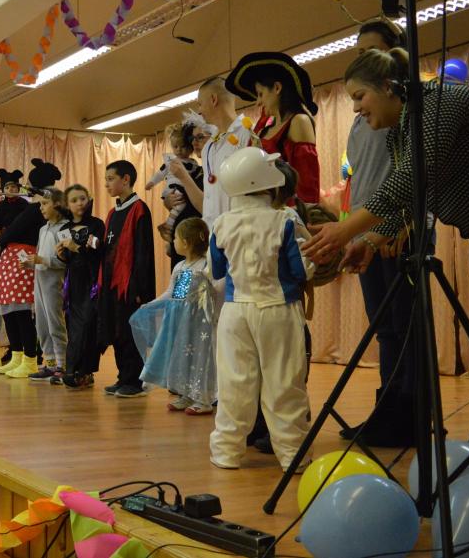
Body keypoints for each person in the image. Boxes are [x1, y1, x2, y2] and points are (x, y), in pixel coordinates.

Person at [303, 49, 469, 276]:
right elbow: (411, 199)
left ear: (387, 87)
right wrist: (371, 241)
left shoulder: (439, 101)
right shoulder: (398, 133)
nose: (355, 108)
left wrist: (345, 229)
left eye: (359, 96)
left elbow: (410, 178)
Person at [208, 147, 314, 472]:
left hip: (234, 312)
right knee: (284, 384)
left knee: (234, 384)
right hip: (278, 310)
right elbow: (302, 270)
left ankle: (226, 452)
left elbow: (217, 270)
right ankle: (293, 456)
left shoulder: (221, 223)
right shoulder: (286, 220)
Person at [337, 19, 417, 446]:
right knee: (384, 328)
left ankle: (410, 415)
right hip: (368, 232)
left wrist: (402, 223)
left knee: (406, 328)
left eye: (371, 50)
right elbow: (363, 179)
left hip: (397, 231)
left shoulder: (404, 114)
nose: (363, 57)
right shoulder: (362, 122)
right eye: (358, 52)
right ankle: (387, 412)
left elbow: (410, 175)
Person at [130, 217, 217, 414]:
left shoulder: (204, 266)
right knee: (183, 357)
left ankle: (203, 399)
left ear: (185, 242)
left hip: (199, 323)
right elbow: (174, 295)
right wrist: (151, 305)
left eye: (175, 238)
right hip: (181, 322)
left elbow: (210, 294)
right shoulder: (181, 267)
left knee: (200, 357)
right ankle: (187, 394)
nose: (173, 242)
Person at [0, 159, 60, 378]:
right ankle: (17, 356)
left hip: (22, 257)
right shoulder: (31, 207)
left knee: (20, 311)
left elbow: (14, 229)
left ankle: (30, 359)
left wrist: (1, 240)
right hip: (10, 258)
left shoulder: (36, 208)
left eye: (30, 184)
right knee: (9, 310)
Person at [226, 51, 321, 204]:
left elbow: (306, 184)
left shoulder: (299, 121)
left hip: (285, 212)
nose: (258, 102)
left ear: (277, 88)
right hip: (261, 209)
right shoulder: (265, 127)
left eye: (260, 94)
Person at [97, 160, 155, 398]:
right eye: (106, 179)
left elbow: (143, 252)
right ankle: (123, 377)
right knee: (117, 331)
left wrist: (140, 288)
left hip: (130, 284)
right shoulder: (113, 213)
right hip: (111, 282)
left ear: (126, 179)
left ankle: (135, 381)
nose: (106, 184)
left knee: (131, 333)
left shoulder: (139, 209)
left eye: (110, 179)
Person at [170, 77, 256, 227]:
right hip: (214, 235)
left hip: (239, 232)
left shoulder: (248, 134)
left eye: (200, 104)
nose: (199, 111)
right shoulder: (209, 146)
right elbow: (208, 205)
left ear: (213, 99)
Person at [55, 184, 106, 389]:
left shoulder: (97, 224)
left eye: (83, 198)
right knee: (73, 327)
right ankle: (72, 370)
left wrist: (76, 247)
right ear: (67, 205)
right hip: (73, 283)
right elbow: (67, 260)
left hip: (92, 281)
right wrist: (61, 255)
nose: (80, 203)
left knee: (88, 325)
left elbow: (98, 252)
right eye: (74, 200)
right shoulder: (63, 229)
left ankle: (86, 371)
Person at [24, 189, 70, 382]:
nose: (41, 208)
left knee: (55, 324)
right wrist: (31, 263)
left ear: (57, 204)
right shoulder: (43, 229)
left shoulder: (64, 229)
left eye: (45, 203)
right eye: (40, 204)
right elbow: (40, 258)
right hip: (40, 283)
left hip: (54, 283)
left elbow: (66, 261)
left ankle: (62, 365)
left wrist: (42, 260)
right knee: (41, 324)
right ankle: (49, 364)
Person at [146, 123, 202, 268]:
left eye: (200, 138)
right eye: (195, 139)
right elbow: (162, 176)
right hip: (180, 241)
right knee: (179, 275)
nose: (196, 143)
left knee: (190, 276)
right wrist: (167, 202)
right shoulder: (174, 165)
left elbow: (202, 206)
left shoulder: (198, 171)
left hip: (194, 243)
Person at [0, 168, 27, 366]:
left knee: (21, 307)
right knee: (6, 305)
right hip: (4, 254)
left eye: (14, 187)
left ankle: (26, 353)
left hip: (20, 253)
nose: (11, 190)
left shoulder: (25, 206)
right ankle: (14, 350)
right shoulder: (0, 206)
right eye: (8, 187)